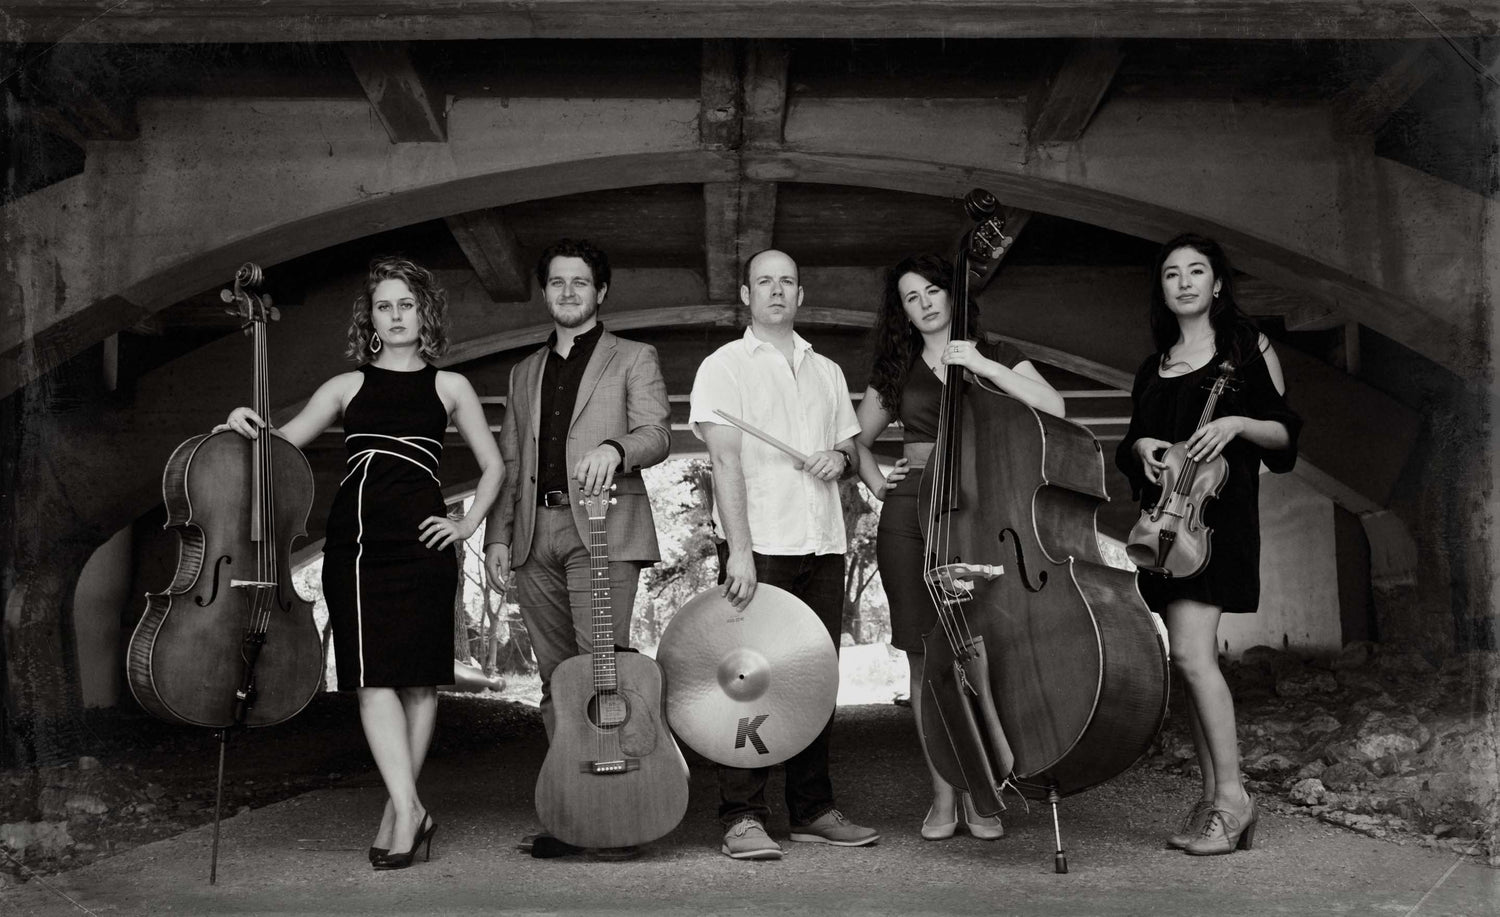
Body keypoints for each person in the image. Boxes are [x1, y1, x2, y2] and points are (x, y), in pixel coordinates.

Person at [218, 257, 503, 870]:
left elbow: (494, 466)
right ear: (369, 318)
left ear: (423, 313)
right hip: (356, 546)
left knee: (421, 682)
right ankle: (410, 808)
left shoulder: (450, 387)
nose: (395, 315)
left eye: (406, 304)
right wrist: (246, 423)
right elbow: (281, 440)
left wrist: (466, 523)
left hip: (424, 547)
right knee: (371, 679)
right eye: (384, 305)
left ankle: (400, 812)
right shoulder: (345, 387)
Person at [850, 252, 1064, 842]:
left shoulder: (992, 354)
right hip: (912, 512)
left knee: (981, 649)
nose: (923, 303)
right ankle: (942, 792)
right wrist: (875, 480)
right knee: (924, 658)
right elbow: (854, 441)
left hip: (984, 509)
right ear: (902, 310)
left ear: (952, 294)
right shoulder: (895, 367)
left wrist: (982, 367)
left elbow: (1056, 407)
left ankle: (984, 790)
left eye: (932, 291)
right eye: (910, 297)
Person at [480, 238, 671, 853]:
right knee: (557, 681)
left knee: (603, 675)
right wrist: (498, 536)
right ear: (546, 291)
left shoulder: (633, 357)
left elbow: (657, 433)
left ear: (601, 292)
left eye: (580, 282)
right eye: (557, 282)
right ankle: (575, 808)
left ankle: (627, 808)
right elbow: (509, 459)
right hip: (537, 534)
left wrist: (615, 450)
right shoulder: (522, 372)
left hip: (606, 529)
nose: (568, 292)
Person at [689, 248, 880, 861]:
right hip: (761, 546)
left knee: (814, 682)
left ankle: (812, 809)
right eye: (764, 282)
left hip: (821, 541)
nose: (776, 291)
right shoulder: (724, 367)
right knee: (748, 683)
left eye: (787, 282)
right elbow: (725, 461)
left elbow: (848, 449)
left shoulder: (824, 370)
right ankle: (742, 815)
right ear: (745, 296)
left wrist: (841, 460)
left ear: (801, 294)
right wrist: (738, 553)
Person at [1115, 233, 1301, 856]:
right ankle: (1212, 799)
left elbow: (1283, 437)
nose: (1185, 281)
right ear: (1163, 289)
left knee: (1195, 658)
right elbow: (1136, 440)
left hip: (1215, 528)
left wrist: (1236, 423)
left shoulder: (1248, 348)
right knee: (1187, 665)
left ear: (1218, 284)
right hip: (1162, 530)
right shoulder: (1154, 364)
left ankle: (1233, 802)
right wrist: (1142, 448)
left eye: (1198, 271)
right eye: (1173, 274)